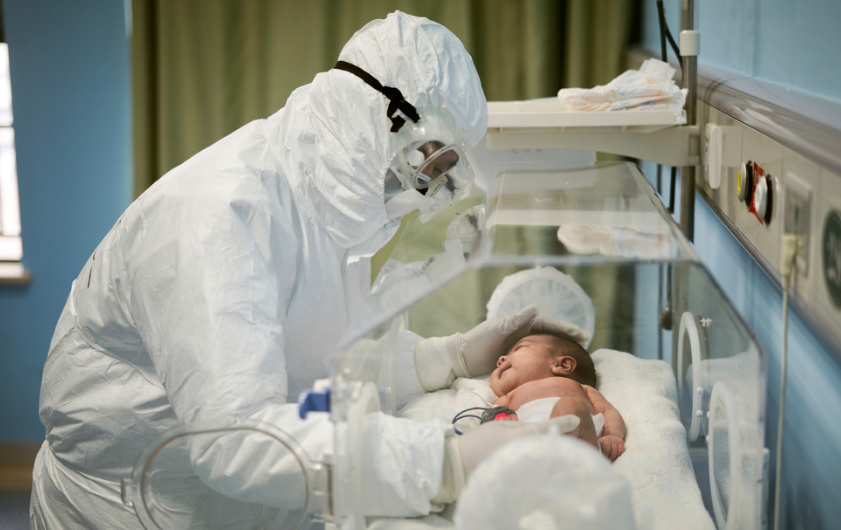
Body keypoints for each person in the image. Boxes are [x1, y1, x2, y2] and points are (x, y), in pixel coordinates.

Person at [30, 12, 574, 529]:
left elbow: (312, 362)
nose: (427, 189)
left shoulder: (324, 210)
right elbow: (235, 442)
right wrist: (442, 464)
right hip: (135, 509)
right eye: (431, 161)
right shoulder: (219, 216)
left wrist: (442, 358)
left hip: (243, 506)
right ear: (384, 117)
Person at [489, 333, 627, 461]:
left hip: (576, 440)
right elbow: (488, 421)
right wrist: (501, 421)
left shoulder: (578, 387)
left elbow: (607, 412)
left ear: (562, 365)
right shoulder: (508, 397)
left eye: (518, 348)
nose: (501, 359)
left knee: (573, 405)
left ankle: (561, 459)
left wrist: (612, 434)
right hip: (526, 440)